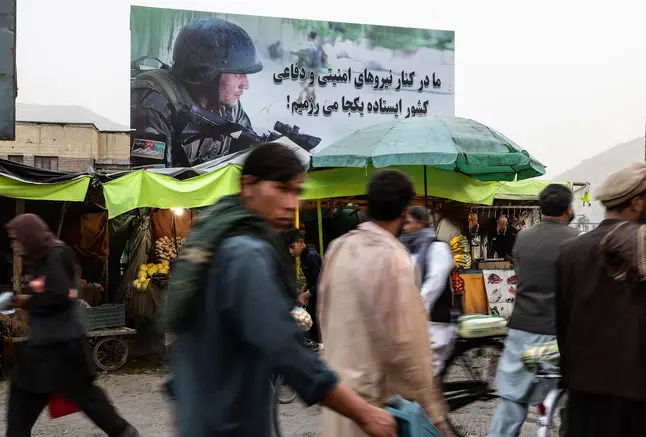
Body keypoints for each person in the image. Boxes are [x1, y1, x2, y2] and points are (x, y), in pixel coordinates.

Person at [165, 142, 397, 437]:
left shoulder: (217, 241)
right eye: (281, 189)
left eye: (297, 193)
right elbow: (284, 347)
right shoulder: (245, 252)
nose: (291, 203)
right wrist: (362, 412)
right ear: (248, 185)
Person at [318, 170, 452, 437]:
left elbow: (324, 315)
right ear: (404, 213)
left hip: (339, 403)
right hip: (375, 413)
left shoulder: (338, 248)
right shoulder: (395, 259)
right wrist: (434, 412)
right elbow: (408, 349)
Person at [4, 214, 139, 437]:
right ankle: (123, 431)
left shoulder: (55, 254)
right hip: (57, 345)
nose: (15, 246)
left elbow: (59, 295)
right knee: (85, 397)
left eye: (17, 239)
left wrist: (28, 300)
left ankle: (122, 431)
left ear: (30, 236)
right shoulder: (42, 257)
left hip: (56, 347)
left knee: (28, 401)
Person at [556, 163, 646, 436]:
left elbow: (562, 325)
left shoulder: (570, 252)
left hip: (584, 398)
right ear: (637, 203)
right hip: (637, 400)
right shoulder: (641, 247)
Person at [489, 184, 578, 437]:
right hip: (557, 333)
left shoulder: (523, 238)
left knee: (512, 399)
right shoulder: (575, 239)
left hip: (520, 327)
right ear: (569, 208)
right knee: (566, 399)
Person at [131, 17, 262, 167]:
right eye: (238, 74)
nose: (245, 85)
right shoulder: (153, 106)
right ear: (207, 74)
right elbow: (148, 183)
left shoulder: (229, 108)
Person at [401, 205, 457, 376]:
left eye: (408, 222)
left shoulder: (438, 247)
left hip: (436, 321)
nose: (405, 226)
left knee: (426, 375)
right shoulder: (413, 249)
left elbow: (435, 282)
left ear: (419, 223)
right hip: (418, 319)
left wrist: (418, 307)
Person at [285, 228, 323, 345]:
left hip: (322, 299)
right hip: (314, 296)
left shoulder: (311, 256)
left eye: (292, 246)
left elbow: (322, 282)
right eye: (289, 249)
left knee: (319, 328)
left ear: (301, 242)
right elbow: (311, 279)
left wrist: (305, 295)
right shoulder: (303, 257)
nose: (291, 251)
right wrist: (303, 292)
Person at [295, 30, 326, 105]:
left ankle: (301, 96)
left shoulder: (306, 45)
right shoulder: (318, 45)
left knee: (304, 82)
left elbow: (301, 56)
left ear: (309, 36)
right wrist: (323, 65)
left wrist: (299, 66)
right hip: (317, 68)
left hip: (307, 67)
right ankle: (310, 96)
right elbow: (324, 56)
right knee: (312, 83)